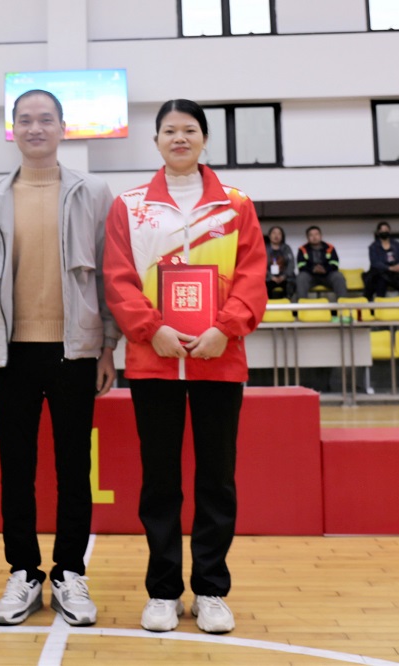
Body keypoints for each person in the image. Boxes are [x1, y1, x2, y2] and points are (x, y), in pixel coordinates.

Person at [103, 99, 267, 635]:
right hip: (154, 362)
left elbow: (252, 275)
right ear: (155, 141)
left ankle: (212, 590)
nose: (179, 138)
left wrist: (226, 328)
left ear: (204, 139)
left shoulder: (236, 205)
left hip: (220, 360)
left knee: (217, 480)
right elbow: (119, 279)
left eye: (189, 129)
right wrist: (152, 329)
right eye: (169, 130)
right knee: (160, 481)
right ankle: (163, 591)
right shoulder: (130, 206)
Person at [0, 89, 118, 627]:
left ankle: (70, 571)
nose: (36, 128)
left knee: (75, 468)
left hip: (76, 350)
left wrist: (108, 345)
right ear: (14, 129)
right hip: (11, 355)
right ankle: (24, 572)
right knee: (17, 470)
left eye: (45, 119)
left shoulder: (92, 192)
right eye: (25, 120)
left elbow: (108, 272)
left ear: (62, 127)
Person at [366, 221, 399, 301]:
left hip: (396, 273)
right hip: (380, 273)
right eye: (382, 230)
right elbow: (375, 263)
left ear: (389, 231)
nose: (384, 232)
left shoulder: (396, 244)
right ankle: (380, 306)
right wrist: (389, 268)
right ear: (378, 232)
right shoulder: (373, 246)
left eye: (386, 230)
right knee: (380, 282)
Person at [295, 226, 347, 299]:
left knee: (338, 276)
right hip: (310, 276)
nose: (314, 237)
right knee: (301, 277)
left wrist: (325, 269)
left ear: (321, 235)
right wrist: (313, 269)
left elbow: (335, 263)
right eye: (311, 235)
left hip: (327, 275)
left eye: (316, 234)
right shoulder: (302, 249)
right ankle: (302, 304)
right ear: (307, 237)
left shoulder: (330, 247)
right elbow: (301, 265)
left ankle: (342, 303)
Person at [264, 226, 295, 300]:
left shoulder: (287, 248)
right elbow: (261, 265)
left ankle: (288, 304)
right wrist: (271, 277)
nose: (276, 235)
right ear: (269, 236)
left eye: (279, 233)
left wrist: (284, 276)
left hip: (285, 278)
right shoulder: (264, 248)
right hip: (268, 278)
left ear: (282, 236)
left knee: (291, 284)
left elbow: (291, 264)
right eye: (274, 233)